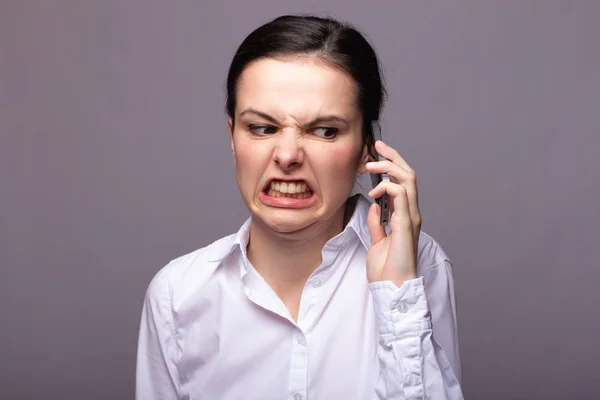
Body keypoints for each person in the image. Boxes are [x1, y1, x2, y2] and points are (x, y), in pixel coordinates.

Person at [136, 14, 464, 400]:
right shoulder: (177, 295)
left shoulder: (419, 265)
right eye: (262, 127)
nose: (288, 155)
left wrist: (397, 295)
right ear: (232, 137)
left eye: (325, 131)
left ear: (366, 149)